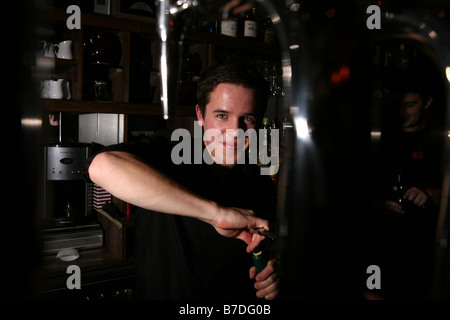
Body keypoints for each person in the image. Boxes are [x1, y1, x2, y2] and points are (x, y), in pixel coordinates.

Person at [88, 60, 279, 299]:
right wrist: (216, 214)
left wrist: (271, 272)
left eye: (247, 118)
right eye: (222, 115)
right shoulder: (172, 149)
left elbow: (263, 252)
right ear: (200, 115)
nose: (235, 131)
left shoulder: (260, 182)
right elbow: (102, 166)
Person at [373, 72, 444, 299]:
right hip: (380, 244)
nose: (403, 112)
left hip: (422, 247)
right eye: (400, 105)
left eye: (411, 105)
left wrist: (430, 194)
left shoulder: (440, 142)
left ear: (428, 103)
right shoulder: (380, 138)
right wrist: (379, 205)